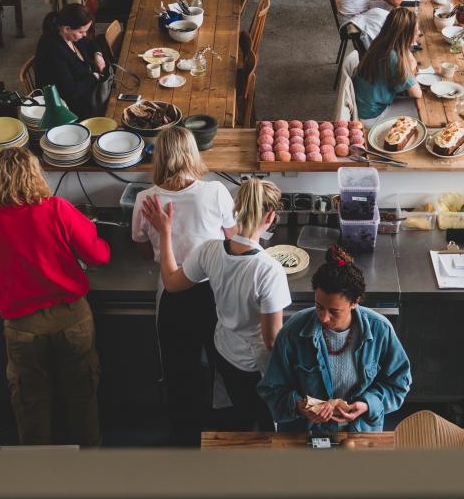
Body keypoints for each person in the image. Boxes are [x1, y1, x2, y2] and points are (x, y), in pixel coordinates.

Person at [0, 147, 110, 446]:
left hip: (22, 326)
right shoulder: (58, 208)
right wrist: (99, 242)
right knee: (81, 395)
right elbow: (97, 256)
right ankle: (91, 460)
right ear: (35, 174)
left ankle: (37, 473)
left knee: (30, 402)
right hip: (71, 318)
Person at [143, 178, 291, 433]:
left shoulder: (209, 250)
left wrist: (165, 232)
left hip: (224, 353)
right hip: (254, 365)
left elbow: (171, 282)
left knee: (237, 417)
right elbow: (271, 340)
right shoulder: (269, 270)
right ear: (270, 217)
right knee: (265, 423)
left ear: (236, 210)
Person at [131, 126, 237, 446]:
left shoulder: (144, 200)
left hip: (172, 294)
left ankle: (183, 438)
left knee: (179, 372)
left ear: (159, 157)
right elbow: (232, 241)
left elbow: (144, 250)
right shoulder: (216, 192)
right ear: (193, 154)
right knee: (223, 366)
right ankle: (224, 432)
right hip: (215, 293)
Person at [258, 245, 411, 432]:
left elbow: (398, 385)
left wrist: (368, 404)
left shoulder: (380, 330)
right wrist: (299, 406)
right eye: (319, 307)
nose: (323, 318)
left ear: (355, 302)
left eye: (334, 311)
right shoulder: (293, 332)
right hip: (306, 433)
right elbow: (272, 389)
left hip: (359, 431)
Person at [34, 3, 107, 119]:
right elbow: (70, 92)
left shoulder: (69, 35)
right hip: (65, 106)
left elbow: (90, 43)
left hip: (82, 90)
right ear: (67, 29)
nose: (85, 35)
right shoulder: (53, 50)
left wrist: (98, 55)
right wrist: (95, 77)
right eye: (82, 32)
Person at [353, 7, 423, 124]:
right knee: (422, 111)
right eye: (416, 31)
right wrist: (411, 66)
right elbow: (417, 93)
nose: (419, 33)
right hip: (373, 117)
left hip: (367, 106)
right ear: (406, 34)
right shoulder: (393, 57)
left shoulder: (381, 43)